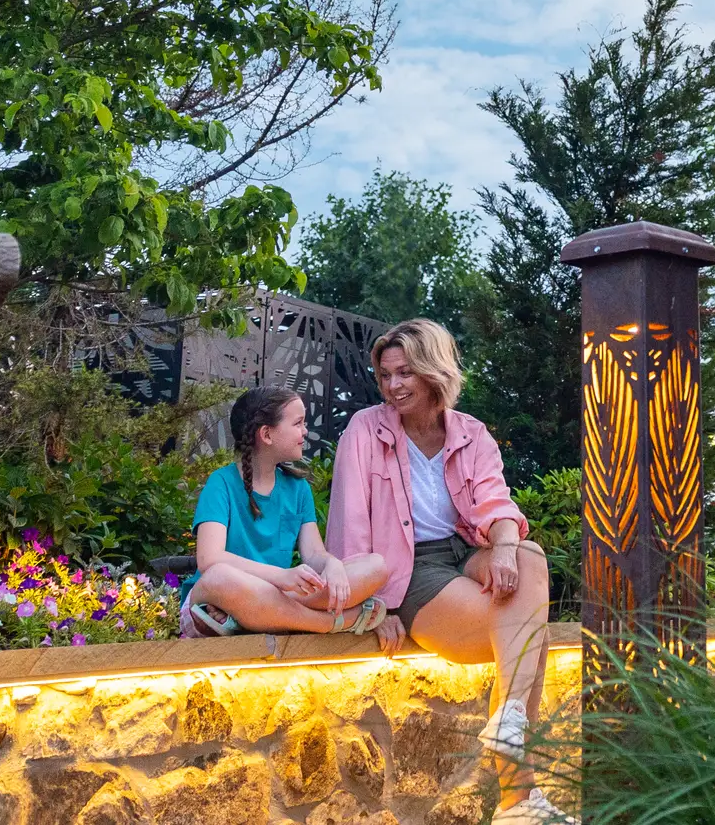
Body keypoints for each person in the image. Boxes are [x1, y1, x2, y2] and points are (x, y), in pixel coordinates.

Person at [327, 319, 567, 825]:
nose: (394, 386)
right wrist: (374, 606)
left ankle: (511, 736)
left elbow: (496, 504)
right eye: (386, 374)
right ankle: (518, 800)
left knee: (530, 556)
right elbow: (349, 523)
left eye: (406, 373)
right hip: (408, 570)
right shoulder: (365, 431)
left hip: (465, 551)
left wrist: (503, 548)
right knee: (529, 638)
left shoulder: (471, 433)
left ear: (435, 371)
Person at [180, 386, 389, 637]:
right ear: (266, 434)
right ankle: (329, 623)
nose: (305, 432)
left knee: (376, 565)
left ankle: (257, 616)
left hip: (275, 595)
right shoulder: (221, 483)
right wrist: (282, 576)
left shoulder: (298, 488)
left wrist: (332, 565)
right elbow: (209, 559)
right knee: (220, 577)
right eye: (298, 423)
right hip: (223, 594)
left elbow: (313, 554)